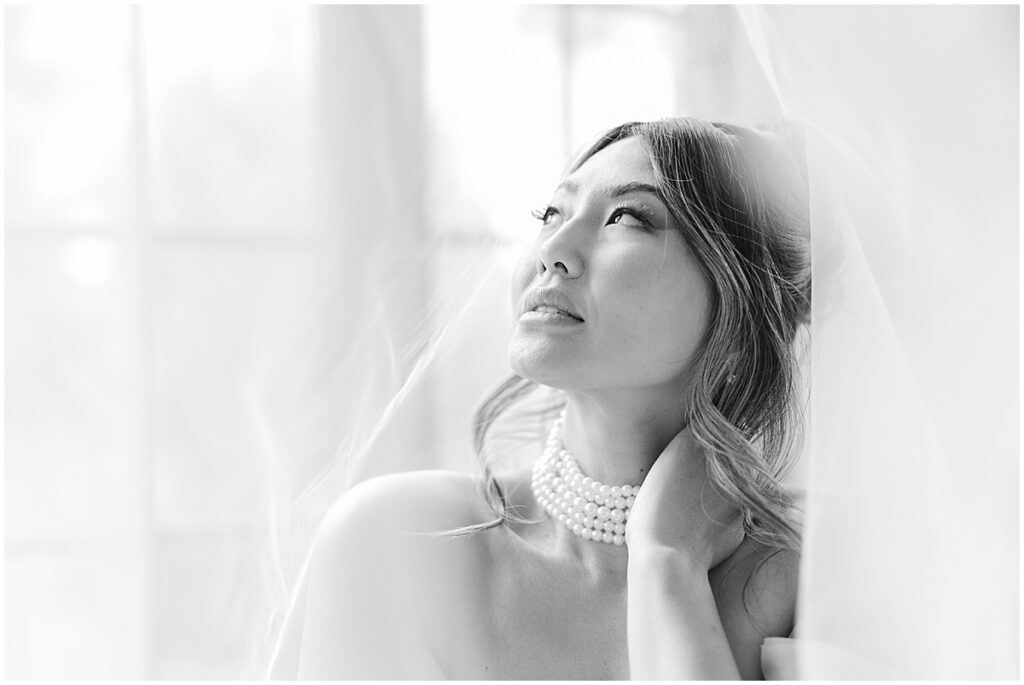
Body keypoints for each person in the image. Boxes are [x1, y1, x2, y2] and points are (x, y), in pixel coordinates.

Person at [270, 117, 810, 680]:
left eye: (627, 217)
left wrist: (666, 565)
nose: (553, 249)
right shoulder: (399, 538)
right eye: (552, 214)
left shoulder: (808, 580)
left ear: (747, 297)